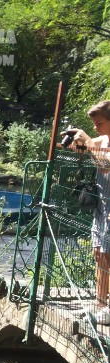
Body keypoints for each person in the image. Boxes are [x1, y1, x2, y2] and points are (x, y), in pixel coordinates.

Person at [65, 101, 110, 324]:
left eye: (99, 123)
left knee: (109, 256)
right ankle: (100, 302)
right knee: (99, 254)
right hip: (102, 208)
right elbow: (82, 150)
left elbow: (104, 164)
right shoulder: (102, 140)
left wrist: (88, 139)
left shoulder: (101, 143)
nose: (95, 127)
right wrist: (74, 141)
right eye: (93, 124)